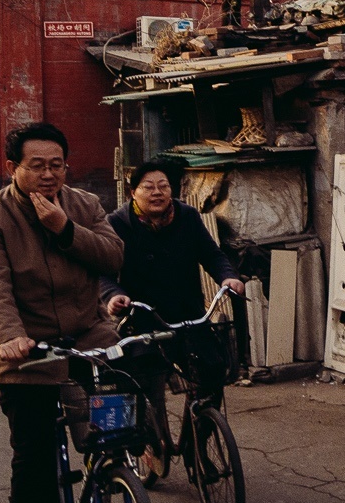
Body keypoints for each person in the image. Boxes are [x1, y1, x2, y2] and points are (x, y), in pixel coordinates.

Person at [0, 121, 124, 503]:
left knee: (110, 434)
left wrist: (65, 228)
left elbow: (113, 259)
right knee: (32, 457)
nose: (48, 175)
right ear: (13, 168)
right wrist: (10, 337)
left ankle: (118, 501)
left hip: (85, 336)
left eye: (56, 165)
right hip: (27, 352)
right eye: (37, 166)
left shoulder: (86, 205)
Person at [101, 161, 246, 470]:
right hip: (140, 318)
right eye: (148, 187)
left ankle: (197, 447)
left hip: (187, 315)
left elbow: (212, 254)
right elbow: (101, 273)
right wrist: (114, 296)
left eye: (163, 186)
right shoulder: (116, 223)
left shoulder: (188, 217)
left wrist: (227, 277)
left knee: (213, 371)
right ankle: (150, 440)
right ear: (133, 192)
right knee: (142, 384)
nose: (157, 193)